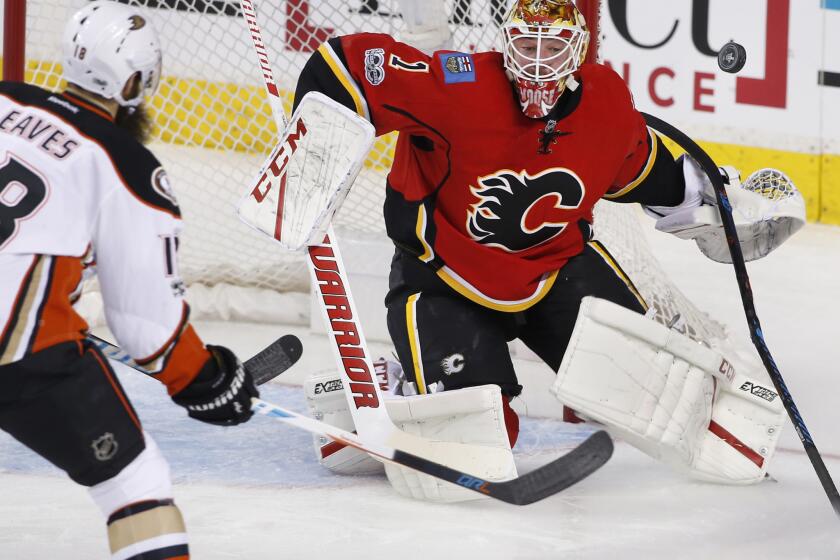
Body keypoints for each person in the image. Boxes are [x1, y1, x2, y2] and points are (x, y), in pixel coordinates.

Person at [295, 0, 788, 501]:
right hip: (445, 282)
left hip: (558, 271)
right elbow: (344, 67)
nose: (536, 61)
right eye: (525, 44)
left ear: (576, 53)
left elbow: (648, 172)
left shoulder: (605, 104)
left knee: (657, 394)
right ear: (504, 45)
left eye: (551, 46)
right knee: (473, 443)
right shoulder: (455, 86)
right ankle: (392, 390)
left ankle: (417, 392)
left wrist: (718, 209)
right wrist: (307, 147)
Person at [0, 1, 258, 557]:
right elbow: (146, 323)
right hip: (19, 359)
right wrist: (204, 379)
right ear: (138, 80)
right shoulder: (126, 166)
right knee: (135, 488)